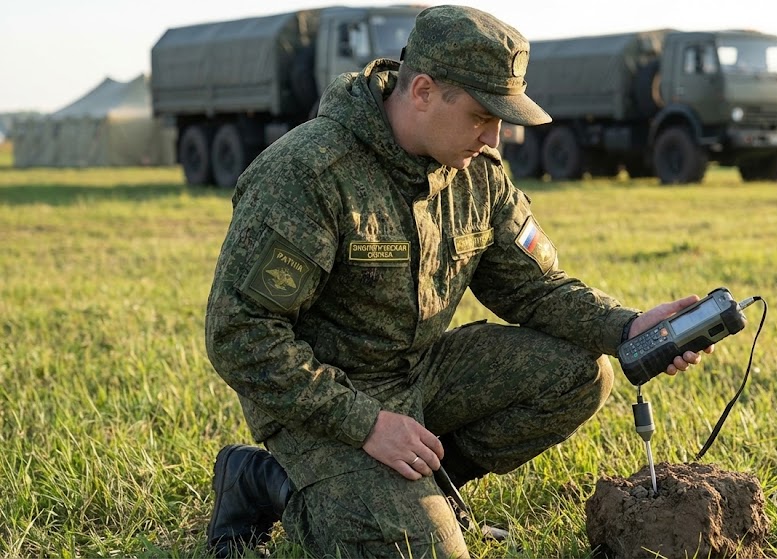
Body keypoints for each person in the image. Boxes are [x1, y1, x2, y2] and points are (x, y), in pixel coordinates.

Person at [203, 5, 713, 558]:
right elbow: (240, 335)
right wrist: (366, 424)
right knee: (419, 552)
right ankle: (264, 480)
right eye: (481, 116)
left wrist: (628, 326)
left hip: (418, 375)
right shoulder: (309, 174)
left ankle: (431, 494)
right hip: (325, 400)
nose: (495, 139)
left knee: (581, 374)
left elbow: (532, 288)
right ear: (422, 90)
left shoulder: (477, 173)